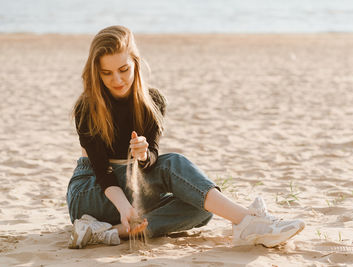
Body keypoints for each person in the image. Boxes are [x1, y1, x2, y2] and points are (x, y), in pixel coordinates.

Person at [66, 25, 305, 249]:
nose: (116, 80)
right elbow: (103, 172)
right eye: (106, 73)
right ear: (96, 72)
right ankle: (247, 221)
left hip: (132, 185)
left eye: (123, 70)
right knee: (172, 164)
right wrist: (125, 207)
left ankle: (107, 232)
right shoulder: (87, 107)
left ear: (136, 63)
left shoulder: (152, 101)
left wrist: (143, 155)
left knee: (202, 208)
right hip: (92, 191)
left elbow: (151, 160)